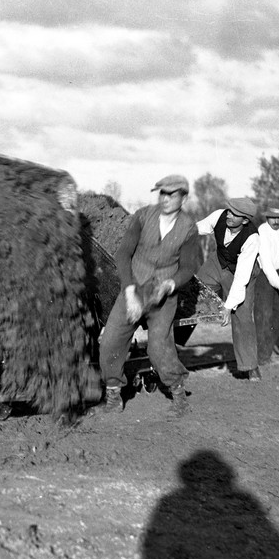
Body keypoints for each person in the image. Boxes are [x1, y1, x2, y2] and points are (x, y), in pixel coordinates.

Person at [97, 174, 201, 417]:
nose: (165, 199)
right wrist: (130, 291)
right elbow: (123, 254)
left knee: (159, 349)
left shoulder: (189, 229)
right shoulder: (143, 216)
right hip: (134, 288)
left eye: (171, 194)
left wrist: (170, 285)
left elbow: (187, 267)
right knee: (111, 341)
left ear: (183, 198)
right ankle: (113, 396)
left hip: (163, 296)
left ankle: (178, 396)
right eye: (162, 193)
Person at [196, 197, 261, 381]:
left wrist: (228, 306)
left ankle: (250, 365)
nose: (230, 216)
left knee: (242, 315)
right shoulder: (219, 216)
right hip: (219, 261)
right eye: (229, 211)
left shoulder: (252, 238)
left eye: (235, 214)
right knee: (196, 288)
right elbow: (196, 228)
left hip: (242, 271)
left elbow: (241, 277)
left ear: (246, 220)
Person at [254, 200, 279, 365]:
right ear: (267, 217)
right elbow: (267, 264)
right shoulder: (262, 230)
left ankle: (265, 352)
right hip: (263, 277)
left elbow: (275, 255)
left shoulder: (278, 231)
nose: (276, 221)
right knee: (264, 317)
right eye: (273, 218)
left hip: (275, 276)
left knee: (277, 317)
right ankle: (261, 357)